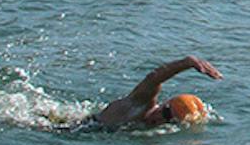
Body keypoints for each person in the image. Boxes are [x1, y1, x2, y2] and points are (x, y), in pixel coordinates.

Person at [77, 56, 222, 131]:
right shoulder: (141, 104)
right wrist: (187, 62)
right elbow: (153, 78)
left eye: (169, 120)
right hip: (75, 128)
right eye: (165, 112)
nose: (160, 119)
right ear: (165, 103)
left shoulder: (152, 130)